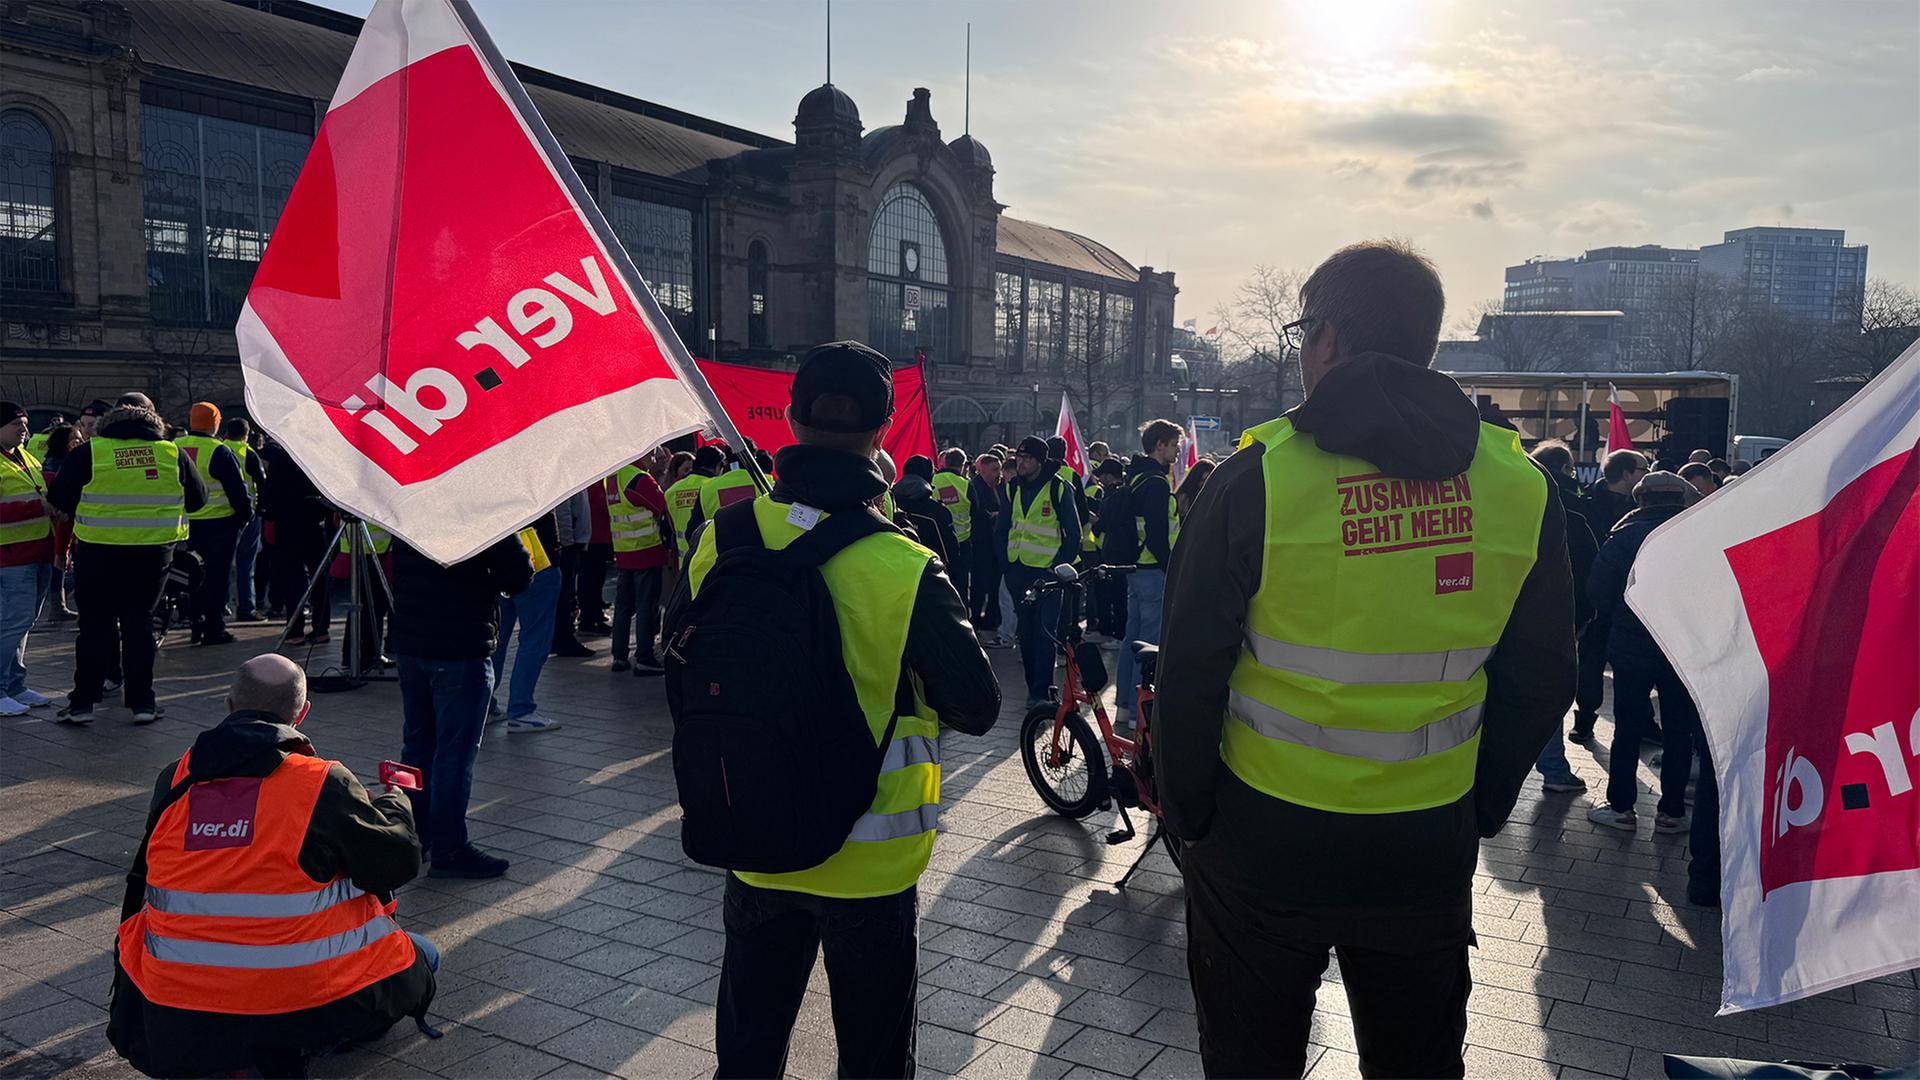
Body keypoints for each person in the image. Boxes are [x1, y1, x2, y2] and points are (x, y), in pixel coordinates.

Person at [1156, 240, 1575, 1078]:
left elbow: (1190, 677)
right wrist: (1477, 808)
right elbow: (1543, 676)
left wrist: (1191, 822)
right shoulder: (1521, 485)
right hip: (1424, 844)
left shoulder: (1255, 480)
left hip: (1262, 839)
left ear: (1330, 338)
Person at [674, 341, 999, 1078]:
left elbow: (682, 675)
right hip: (870, 864)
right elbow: (977, 707)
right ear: (883, 431)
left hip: (753, 839)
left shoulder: (717, 541)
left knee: (748, 1058)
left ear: (791, 418)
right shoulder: (903, 562)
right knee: (874, 1063)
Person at [107, 654, 436, 1077]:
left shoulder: (175, 778)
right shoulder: (320, 782)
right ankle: (317, 1040)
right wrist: (395, 802)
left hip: (175, 1007)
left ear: (228, 706)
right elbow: (396, 863)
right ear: (302, 714)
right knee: (426, 954)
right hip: (299, 1002)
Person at [48, 400, 209, 725]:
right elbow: (198, 499)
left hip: (96, 553)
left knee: (94, 626)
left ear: (109, 425)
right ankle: (142, 704)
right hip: (152, 554)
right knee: (139, 624)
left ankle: (82, 703)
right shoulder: (171, 453)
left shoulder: (90, 452)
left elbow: (60, 500)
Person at [390, 530, 533, 877]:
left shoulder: (412, 508)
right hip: (461, 646)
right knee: (454, 754)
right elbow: (520, 574)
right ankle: (449, 848)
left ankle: (413, 835)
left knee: (417, 748)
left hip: (412, 644)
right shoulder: (479, 512)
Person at [1586, 470, 1702, 836]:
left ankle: (1621, 807)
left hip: (1632, 645)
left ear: (1640, 499)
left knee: (1628, 726)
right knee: (1679, 728)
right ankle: (1671, 813)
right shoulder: (1696, 536)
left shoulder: (1622, 538)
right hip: (1680, 646)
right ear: (1681, 499)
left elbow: (1598, 592)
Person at [1528, 441, 1598, 795]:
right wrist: (1585, 616)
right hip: (1559, 617)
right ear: (1566, 470)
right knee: (1552, 692)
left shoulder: (1514, 501)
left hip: (1506, 612)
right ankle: (1554, 769)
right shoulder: (1572, 509)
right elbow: (1590, 569)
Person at [1570, 448, 1648, 744]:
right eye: (1642, 468)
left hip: (1633, 603)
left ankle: (1641, 723)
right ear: (1627, 473)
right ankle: (1585, 719)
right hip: (1599, 601)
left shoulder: (1640, 506)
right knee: (1591, 661)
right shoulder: (1587, 505)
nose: (1646, 472)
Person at [997, 435, 1080, 710]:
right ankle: (1033, 685)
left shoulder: (1058, 488)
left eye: (1027, 459)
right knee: (1027, 634)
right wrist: (1005, 565)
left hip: (1047, 576)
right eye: (1019, 458)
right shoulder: (1012, 488)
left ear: (1040, 461)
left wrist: (1057, 569)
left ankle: (1040, 692)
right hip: (1018, 571)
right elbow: (1002, 528)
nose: (1020, 463)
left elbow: (1074, 535)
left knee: (1044, 634)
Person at [1111, 418, 1183, 728]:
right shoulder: (1156, 482)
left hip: (1135, 567)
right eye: (1174, 446)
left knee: (1131, 639)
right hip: (1152, 569)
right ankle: (1139, 713)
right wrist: (1173, 566)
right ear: (1160, 446)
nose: (1177, 452)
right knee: (1149, 645)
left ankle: (1125, 707)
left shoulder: (1136, 477)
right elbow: (1156, 534)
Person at [175, 402, 254, 647]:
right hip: (220, 525)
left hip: (186, 524)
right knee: (217, 578)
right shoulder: (218, 451)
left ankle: (195, 623)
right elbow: (237, 490)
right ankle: (214, 628)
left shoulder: (174, 447)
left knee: (192, 576)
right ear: (216, 423)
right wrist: (246, 515)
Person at [1, 402, 56, 716]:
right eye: (15, 425)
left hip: (37, 550)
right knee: (13, 623)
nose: (23, 430)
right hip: (12, 556)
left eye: (24, 424)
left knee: (24, 623)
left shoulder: (25, 456)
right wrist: (39, 509)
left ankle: (15, 685)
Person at [489, 510, 563, 732]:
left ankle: (485, 705)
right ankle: (521, 710)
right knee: (535, 638)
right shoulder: (537, 481)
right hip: (539, 562)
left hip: (502, 563)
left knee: (498, 639)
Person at [261, 437, 334, 645]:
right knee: (320, 577)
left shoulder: (282, 458)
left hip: (287, 525)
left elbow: (271, 492)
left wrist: (269, 518)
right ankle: (321, 628)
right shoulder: (317, 456)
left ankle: (295, 630)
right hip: (315, 523)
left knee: (292, 578)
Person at [607, 460, 670, 675]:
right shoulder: (637, 478)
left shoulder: (614, 477)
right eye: (652, 452)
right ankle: (644, 657)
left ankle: (619, 655)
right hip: (646, 549)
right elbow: (661, 505)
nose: (654, 457)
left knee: (623, 607)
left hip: (624, 551)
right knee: (646, 605)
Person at [222, 418, 268, 623]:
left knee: (222, 564)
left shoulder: (218, 449)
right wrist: (261, 510)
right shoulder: (248, 453)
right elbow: (262, 483)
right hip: (247, 515)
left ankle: (222, 606)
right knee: (246, 564)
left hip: (219, 514)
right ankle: (246, 608)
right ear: (246, 435)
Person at [37, 423, 79, 620]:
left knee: (60, 559)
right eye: (76, 439)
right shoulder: (64, 464)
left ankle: (58, 604)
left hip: (60, 518)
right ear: (66, 443)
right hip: (61, 518)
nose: (80, 442)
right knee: (59, 558)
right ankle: (57, 606)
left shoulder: (51, 461)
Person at [968, 452, 1009, 648]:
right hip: (981, 544)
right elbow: (978, 513)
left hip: (998, 545)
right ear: (981, 471)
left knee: (995, 586)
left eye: (999, 469)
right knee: (979, 586)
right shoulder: (974, 486)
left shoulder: (1002, 486)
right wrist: (994, 515)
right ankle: (976, 621)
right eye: (993, 470)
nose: (998, 474)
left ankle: (992, 622)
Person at [549, 485, 596, 658]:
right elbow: (563, 515)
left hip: (574, 543)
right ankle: (563, 639)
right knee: (565, 595)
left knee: (568, 594)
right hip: (568, 546)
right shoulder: (565, 481)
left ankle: (562, 637)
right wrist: (568, 544)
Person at [1088, 457, 1128, 640]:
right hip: (1107, 550)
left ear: (1111, 476)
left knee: (1115, 595)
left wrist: (1095, 521)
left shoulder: (1118, 494)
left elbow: (1110, 522)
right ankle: (1108, 629)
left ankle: (1116, 633)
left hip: (1116, 551)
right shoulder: (1112, 493)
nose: (1100, 480)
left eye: (1102, 475)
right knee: (1107, 592)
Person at [892, 454, 957, 566]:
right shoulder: (937, 511)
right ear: (929, 477)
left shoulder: (890, 506)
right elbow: (951, 553)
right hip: (931, 575)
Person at [930, 448, 973, 603]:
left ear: (945, 462)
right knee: (961, 586)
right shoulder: (966, 484)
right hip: (962, 541)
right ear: (962, 465)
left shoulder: (933, 481)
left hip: (939, 540)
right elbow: (977, 511)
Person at [666, 444, 725, 556]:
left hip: (684, 559)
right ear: (718, 466)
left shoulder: (672, 490)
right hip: (709, 557)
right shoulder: (715, 488)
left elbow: (671, 527)